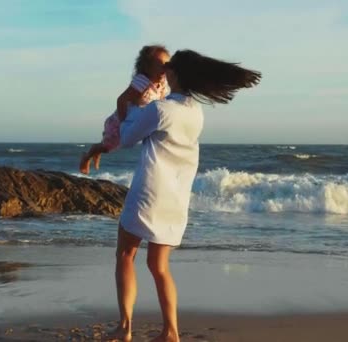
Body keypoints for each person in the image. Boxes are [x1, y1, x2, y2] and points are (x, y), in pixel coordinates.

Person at [110, 49, 261, 342]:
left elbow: (127, 136)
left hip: (148, 193)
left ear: (175, 75)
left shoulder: (160, 110)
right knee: (159, 266)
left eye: (169, 68)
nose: (164, 72)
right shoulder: (195, 112)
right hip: (176, 199)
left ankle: (125, 327)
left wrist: (128, 105)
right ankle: (171, 332)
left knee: (126, 255)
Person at [79, 45, 170, 175]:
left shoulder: (162, 85)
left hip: (134, 120)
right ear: (147, 68)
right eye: (160, 65)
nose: (165, 69)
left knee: (111, 147)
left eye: (167, 65)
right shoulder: (142, 82)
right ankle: (88, 155)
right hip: (120, 121)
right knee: (108, 146)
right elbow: (121, 100)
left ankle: (99, 151)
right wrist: (123, 124)